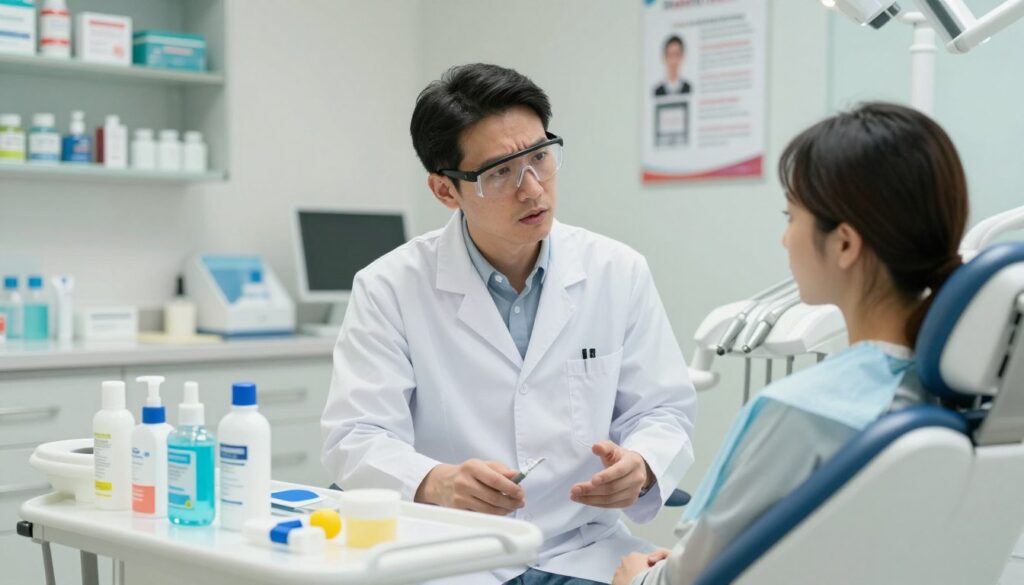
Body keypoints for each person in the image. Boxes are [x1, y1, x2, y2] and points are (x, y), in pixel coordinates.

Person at [321, 63, 697, 585]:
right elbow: (356, 435)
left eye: (540, 157)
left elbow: (663, 410)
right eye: (500, 172)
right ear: (445, 190)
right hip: (449, 553)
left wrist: (643, 465)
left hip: (582, 547)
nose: (532, 189)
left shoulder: (617, 270)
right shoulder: (389, 287)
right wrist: (434, 480)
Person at [613, 102, 970, 585]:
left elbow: (692, 579)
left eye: (791, 216)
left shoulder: (805, 413)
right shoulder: (965, 398)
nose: (785, 239)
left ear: (844, 244)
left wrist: (635, 579)